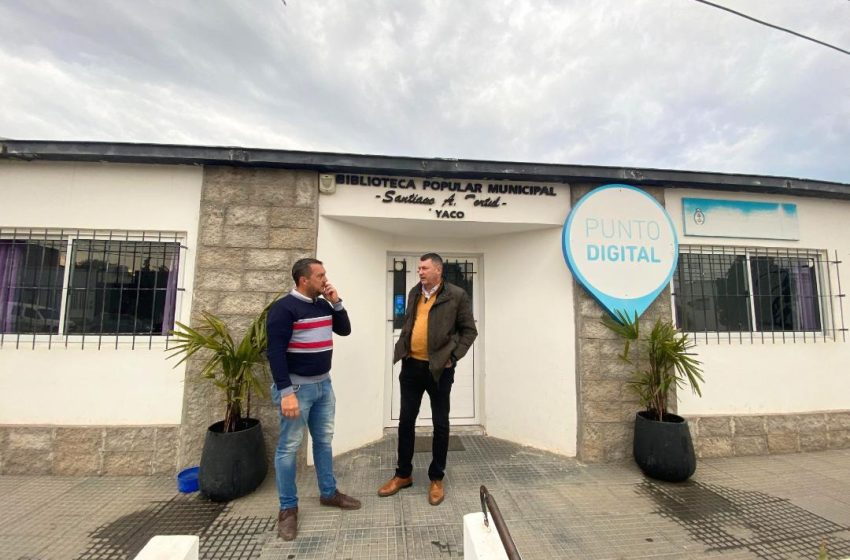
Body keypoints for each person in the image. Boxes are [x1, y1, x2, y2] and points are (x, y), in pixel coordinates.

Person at [267, 257, 361, 541]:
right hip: (297, 389)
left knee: (323, 441)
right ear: (303, 280)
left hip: (323, 386)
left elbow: (344, 330)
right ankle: (288, 509)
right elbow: (275, 353)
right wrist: (286, 392)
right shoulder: (284, 309)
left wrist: (336, 302)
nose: (325, 279)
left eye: (325, 274)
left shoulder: (322, 305)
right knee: (289, 448)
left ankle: (328, 493)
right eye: (320, 276)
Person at [377, 253, 478, 506]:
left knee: (440, 424)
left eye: (424, 268)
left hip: (439, 370)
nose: (420, 271)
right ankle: (403, 474)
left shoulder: (456, 295)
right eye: (419, 268)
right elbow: (411, 322)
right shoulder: (414, 292)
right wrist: (403, 345)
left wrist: (453, 357)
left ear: (438, 270)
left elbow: (469, 331)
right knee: (406, 421)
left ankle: (436, 478)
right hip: (411, 366)